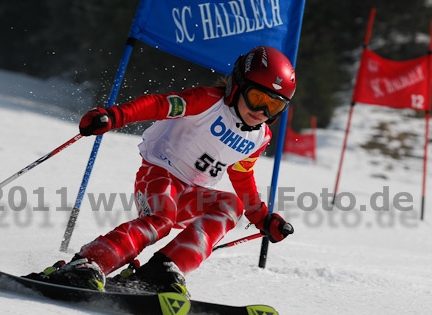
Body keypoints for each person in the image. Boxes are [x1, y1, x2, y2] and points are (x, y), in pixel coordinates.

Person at [27, 46, 295, 296]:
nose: (261, 111)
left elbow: (242, 175)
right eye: (257, 98)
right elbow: (158, 104)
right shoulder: (206, 101)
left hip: (194, 192)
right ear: (238, 85)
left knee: (231, 206)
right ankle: (88, 263)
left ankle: (162, 270)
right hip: (160, 173)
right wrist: (114, 116)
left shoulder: (260, 137)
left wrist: (261, 218)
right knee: (162, 219)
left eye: (274, 106)